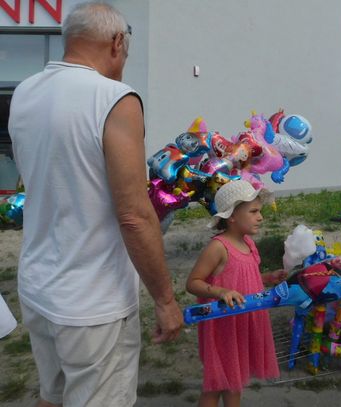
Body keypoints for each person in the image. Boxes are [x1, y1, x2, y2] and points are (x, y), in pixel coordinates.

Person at [8, 3, 183, 406]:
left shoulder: (25, 92)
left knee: (52, 396)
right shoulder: (115, 98)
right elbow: (134, 215)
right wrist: (165, 300)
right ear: (117, 42)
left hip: (38, 287)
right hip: (93, 305)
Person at [186, 180, 286, 407]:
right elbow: (193, 283)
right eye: (253, 211)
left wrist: (268, 278)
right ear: (231, 216)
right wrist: (220, 291)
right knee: (216, 385)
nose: (260, 217)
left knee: (235, 381)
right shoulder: (218, 247)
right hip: (223, 326)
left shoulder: (249, 244)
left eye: (259, 211)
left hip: (243, 324)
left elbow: (246, 279)